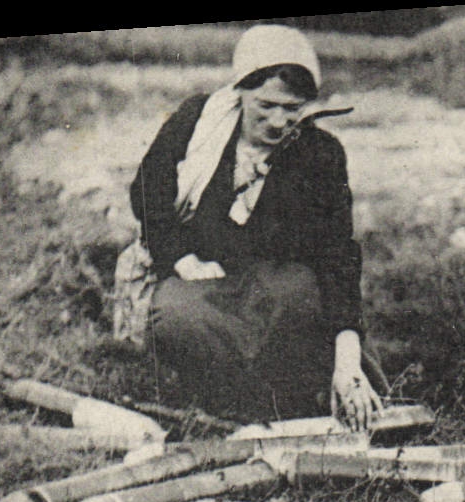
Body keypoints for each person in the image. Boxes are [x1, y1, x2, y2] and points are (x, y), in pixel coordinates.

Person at [126, 24, 383, 427]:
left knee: (299, 297)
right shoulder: (198, 123)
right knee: (175, 315)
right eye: (266, 106)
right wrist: (182, 258)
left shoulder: (320, 153)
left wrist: (348, 360)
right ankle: (222, 400)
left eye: (292, 108)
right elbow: (147, 192)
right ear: (240, 91)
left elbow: (338, 255)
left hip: (276, 288)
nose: (279, 121)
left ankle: (284, 399)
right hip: (203, 281)